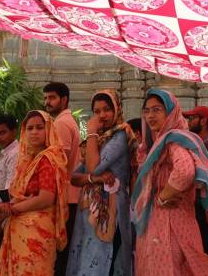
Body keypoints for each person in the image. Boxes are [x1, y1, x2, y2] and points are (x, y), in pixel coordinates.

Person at [132, 89, 208, 276]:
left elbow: (185, 171)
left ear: (170, 112)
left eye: (157, 110)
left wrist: (162, 197)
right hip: (158, 222)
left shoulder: (174, 140)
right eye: (147, 111)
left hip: (170, 223)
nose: (150, 115)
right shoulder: (157, 142)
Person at [67, 90, 135, 276]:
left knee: (108, 262)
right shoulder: (99, 139)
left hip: (111, 210)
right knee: (85, 259)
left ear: (116, 110)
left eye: (106, 110)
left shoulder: (120, 135)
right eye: (96, 112)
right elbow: (75, 177)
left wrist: (91, 133)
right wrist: (93, 179)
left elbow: (94, 167)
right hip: (89, 213)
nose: (102, 115)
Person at [0, 110, 69, 276]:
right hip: (21, 229)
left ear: (48, 129)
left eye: (39, 127)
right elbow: (21, 195)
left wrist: (12, 209)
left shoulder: (48, 158)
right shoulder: (28, 158)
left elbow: (46, 198)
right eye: (30, 128)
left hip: (37, 231)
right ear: (24, 131)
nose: (34, 132)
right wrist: (5, 207)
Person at [44, 82, 81, 276]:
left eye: (51, 98)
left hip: (65, 198)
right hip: (70, 197)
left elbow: (60, 161)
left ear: (63, 99)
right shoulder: (66, 120)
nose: (47, 102)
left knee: (60, 255)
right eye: (46, 98)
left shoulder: (61, 123)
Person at [185, 104, 208, 254]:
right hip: (202, 205)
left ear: (203, 121)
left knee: (204, 249)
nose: (189, 122)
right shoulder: (204, 143)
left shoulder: (207, 144)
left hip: (205, 205)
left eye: (193, 118)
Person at [0, 115, 20, 274]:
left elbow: (9, 194)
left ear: (14, 131)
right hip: (3, 218)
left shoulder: (15, 154)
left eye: (3, 132)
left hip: (7, 220)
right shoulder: (5, 153)